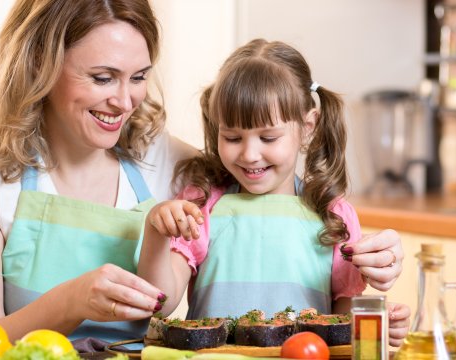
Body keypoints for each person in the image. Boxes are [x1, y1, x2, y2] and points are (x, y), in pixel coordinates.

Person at [0, 0, 198, 344]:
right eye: (103, 78)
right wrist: (71, 302)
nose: (125, 101)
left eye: (138, 77)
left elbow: (260, 177)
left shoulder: (163, 156)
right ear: (41, 61)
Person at [137, 38, 410, 346]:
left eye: (268, 138)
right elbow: (163, 300)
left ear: (308, 126)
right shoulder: (201, 204)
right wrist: (156, 232)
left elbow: (341, 326)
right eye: (232, 136)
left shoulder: (332, 216)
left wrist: (377, 324)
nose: (250, 154)